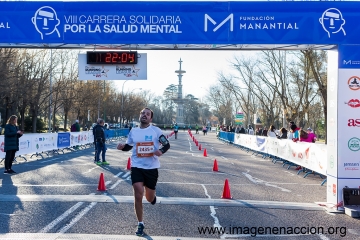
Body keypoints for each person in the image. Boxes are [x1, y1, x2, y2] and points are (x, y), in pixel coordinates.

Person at [116, 108, 170, 236]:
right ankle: (140, 223)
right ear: (140, 116)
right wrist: (122, 147)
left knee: (149, 197)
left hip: (151, 168)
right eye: (142, 113)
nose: (144, 115)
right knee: (138, 193)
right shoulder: (133, 131)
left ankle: (152, 197)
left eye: (147, 114)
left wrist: (160, 151)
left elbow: (166, 145)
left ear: (151, 118)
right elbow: (129, 146)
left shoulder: (156, 131)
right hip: (137, 167)